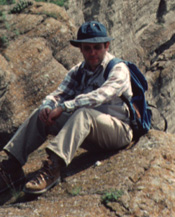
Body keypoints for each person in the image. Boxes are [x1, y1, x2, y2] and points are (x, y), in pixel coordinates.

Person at [0, 21, 134, 197]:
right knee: (41, 114)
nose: (92, 53)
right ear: (81, 49)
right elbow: (59, 93)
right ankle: (12, 166)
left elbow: (101, 95)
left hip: (119, 131)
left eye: (97, 47)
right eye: (87, 48)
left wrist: (64, 107)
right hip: (90, 132)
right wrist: (48, 106)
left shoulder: (118, 68)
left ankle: (53, 168)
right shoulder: (79, 71)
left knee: (83, 113)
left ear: (106, 46)